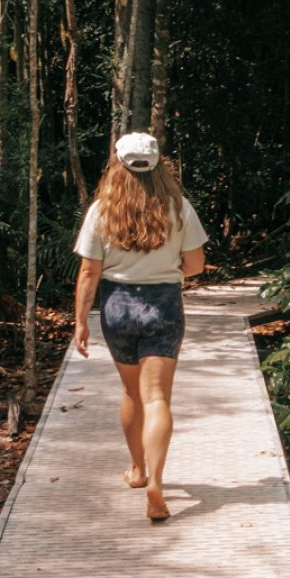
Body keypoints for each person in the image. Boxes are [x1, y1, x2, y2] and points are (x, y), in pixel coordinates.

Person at [72, 131, 208, 522]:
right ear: (158, 164)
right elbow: (196, 265)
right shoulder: (179, 207)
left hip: (116, 305)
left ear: (117, 164)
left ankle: (137, 470)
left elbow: (88, 271)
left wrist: (81, 322)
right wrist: (164, 271)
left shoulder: (102, 210)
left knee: (131, 393)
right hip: (164, 303)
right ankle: (157, 487)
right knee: (157, 399)